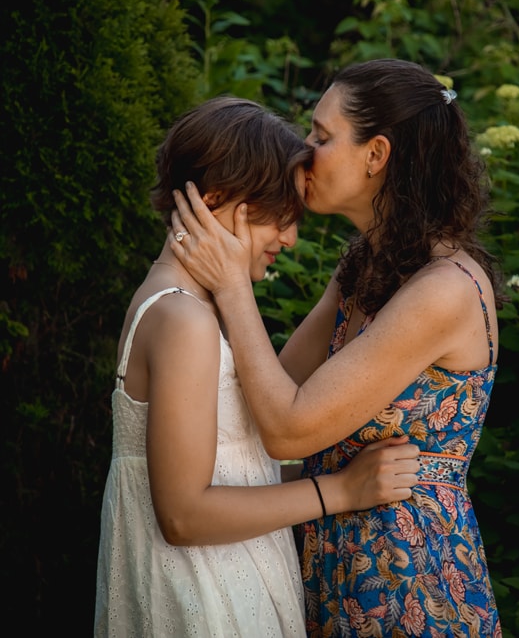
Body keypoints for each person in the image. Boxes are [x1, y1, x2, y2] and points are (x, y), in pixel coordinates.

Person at [169, 59, 504, 638]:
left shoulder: (444, 290)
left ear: (376, 155)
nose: (305, 149)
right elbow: (265, 398)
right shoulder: (364, 268)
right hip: (332, 572)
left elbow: (288, 429)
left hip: (411, 587)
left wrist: (231, 286)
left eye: (323, 136)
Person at [94, 95, 420, 638]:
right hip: (204, 594)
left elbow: (237, 461)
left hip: (223, 575)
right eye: (279, 218)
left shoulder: (189, 309)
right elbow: (183, 516)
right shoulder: (183, 320)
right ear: (217, 199)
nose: (290, 239)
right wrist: (340, 492)